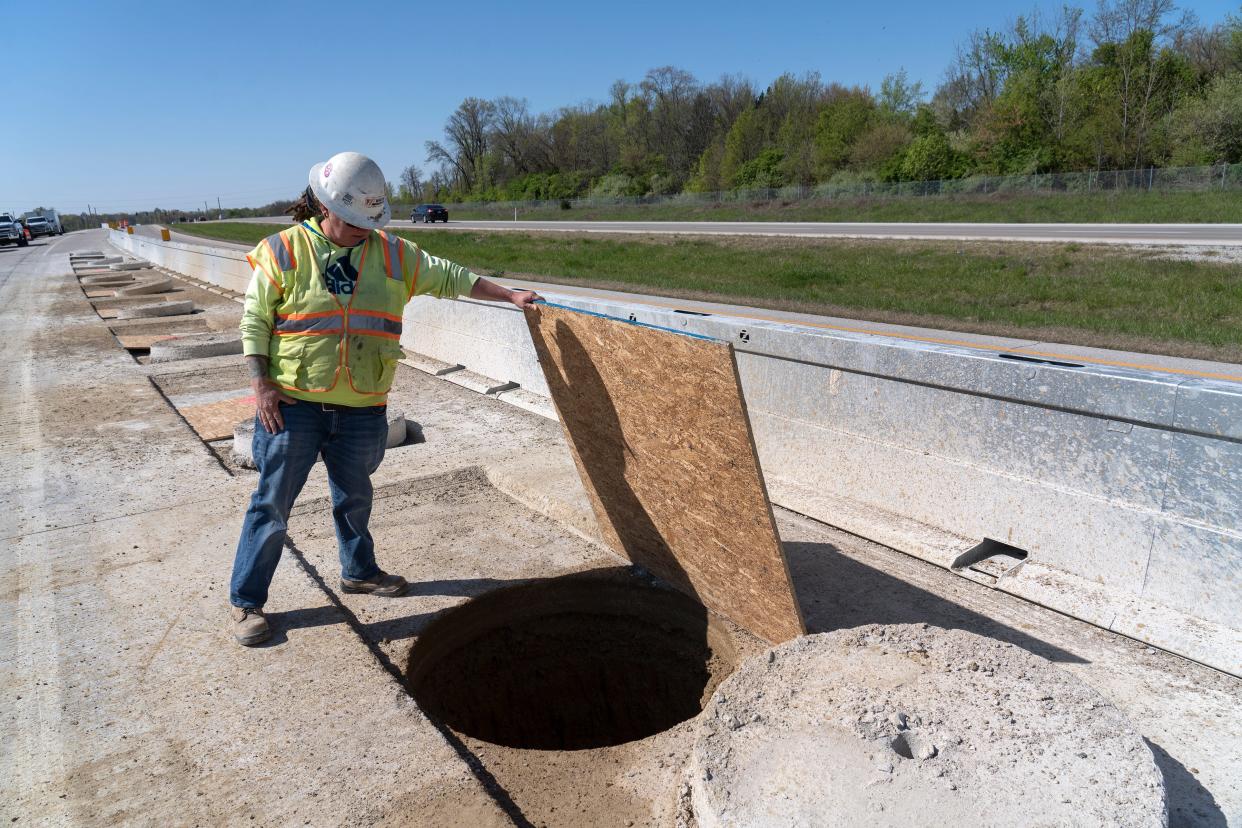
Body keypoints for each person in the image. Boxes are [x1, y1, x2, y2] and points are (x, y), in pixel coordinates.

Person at [229, 151, 540, 646]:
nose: (362, 229)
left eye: (369, 221)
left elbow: (452, 276)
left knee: (354, 498)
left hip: (362, 408)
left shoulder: (395, 254)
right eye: (354, 220)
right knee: (272, 504)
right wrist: (260, 383)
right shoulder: (282, 251)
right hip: (295, 406)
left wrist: (509, 296)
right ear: (325, 207)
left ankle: (358, 572)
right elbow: (254, 322)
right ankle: (247, 603)